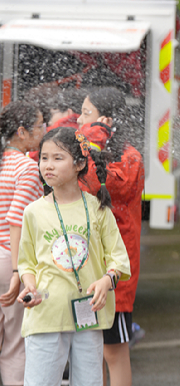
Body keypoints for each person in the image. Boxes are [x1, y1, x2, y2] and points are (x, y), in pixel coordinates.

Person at [16, 127, 130, 386]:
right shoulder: (32, 212)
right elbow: (27, 263)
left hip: (87, 315)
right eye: (44, 158)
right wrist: (29, 284)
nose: (48, 165)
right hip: (45, 314)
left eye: (58, 158)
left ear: (79, 164)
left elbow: (119, 260)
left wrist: (106, 280)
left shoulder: (98, 209)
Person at [76, 87, 144, 386]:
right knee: (89, 351)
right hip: (85, 264)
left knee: (114, 352)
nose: (79, 120)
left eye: (86, 114)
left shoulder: (130, 158)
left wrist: (94, 143)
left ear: (105, 121)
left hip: (116, 270)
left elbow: (99, 186)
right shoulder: (85, 151)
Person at [0, 101, 44, 386]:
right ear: (22, 132)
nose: (44, 130)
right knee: (15, 345)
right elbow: (17, 220)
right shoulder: (27, 168)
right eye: (40, 126)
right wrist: (18, 271)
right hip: (8, 261)